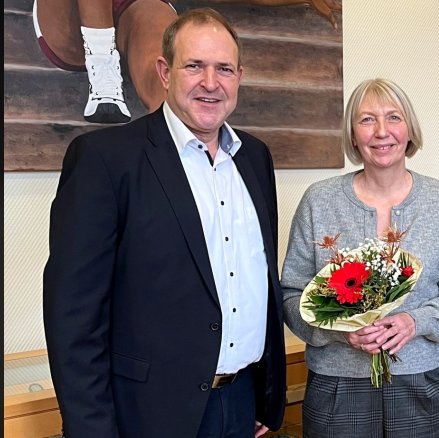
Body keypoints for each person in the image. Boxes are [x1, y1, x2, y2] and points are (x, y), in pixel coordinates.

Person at [43, 8, 286, 437]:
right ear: (165, 71)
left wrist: (265, 395)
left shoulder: (254, 158)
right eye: (195, 66)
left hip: (242, 404)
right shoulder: (105, 159)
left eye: (224, 69)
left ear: (239, 77)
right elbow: (73, 317)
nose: (211, 83)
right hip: (147, 415)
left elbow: (256, 282)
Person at [280, 78, 439, 437]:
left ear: (409, 129)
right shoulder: (319, 200)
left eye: (393, 118)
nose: (382, 132)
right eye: (367, 120)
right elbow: (291, 294)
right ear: (353, 135)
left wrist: (414, 322)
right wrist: (342, 331)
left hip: (419, 383)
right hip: (337, 385)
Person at [32, 0, 341, 123]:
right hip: (69, 21)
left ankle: (181, 160)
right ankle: (101, 59)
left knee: (170, 63)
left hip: (136, 8)